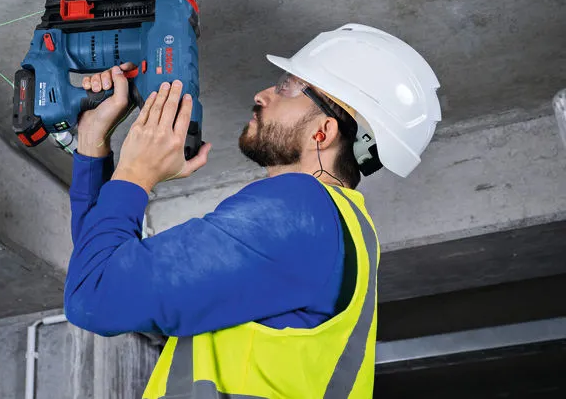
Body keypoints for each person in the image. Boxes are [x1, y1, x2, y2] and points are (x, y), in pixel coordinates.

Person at [64, 24, 441, 399]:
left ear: (322, 132)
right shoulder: (335, 229)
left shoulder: (301, 209)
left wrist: (136, 172)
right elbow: (96, 270)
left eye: (288, 87)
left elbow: (95, 296)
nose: (262, 95)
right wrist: (92, 143)